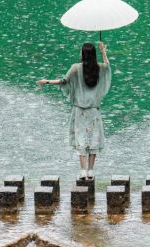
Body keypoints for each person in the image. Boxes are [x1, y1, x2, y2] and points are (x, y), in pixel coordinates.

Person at [36, 41, 111, 179]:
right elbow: (107, 67)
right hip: (94, 111)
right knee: (93, 139)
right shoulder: (99, 68)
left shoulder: (76, 68)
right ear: (94, 55)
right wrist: (103, 51)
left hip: (79, 111)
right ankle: (91, 171)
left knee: (80, 138)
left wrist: (46, 81)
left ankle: (83, 171)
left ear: (83, 54)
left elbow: (63, 81)